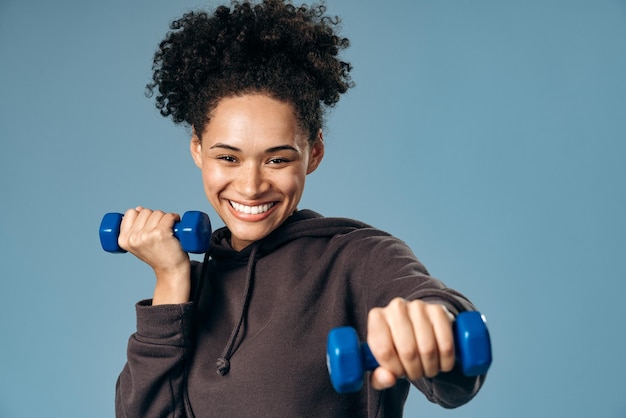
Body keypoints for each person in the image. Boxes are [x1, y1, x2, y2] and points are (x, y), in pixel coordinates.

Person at [114, 1, 487, 416]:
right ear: (198, 150)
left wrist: (433, 325)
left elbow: (448, 359)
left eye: (277, 159)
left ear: (314, 153)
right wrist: (169, 280)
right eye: (228, 158)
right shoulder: (193, 292)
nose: (252, 187)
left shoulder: (356, 258)